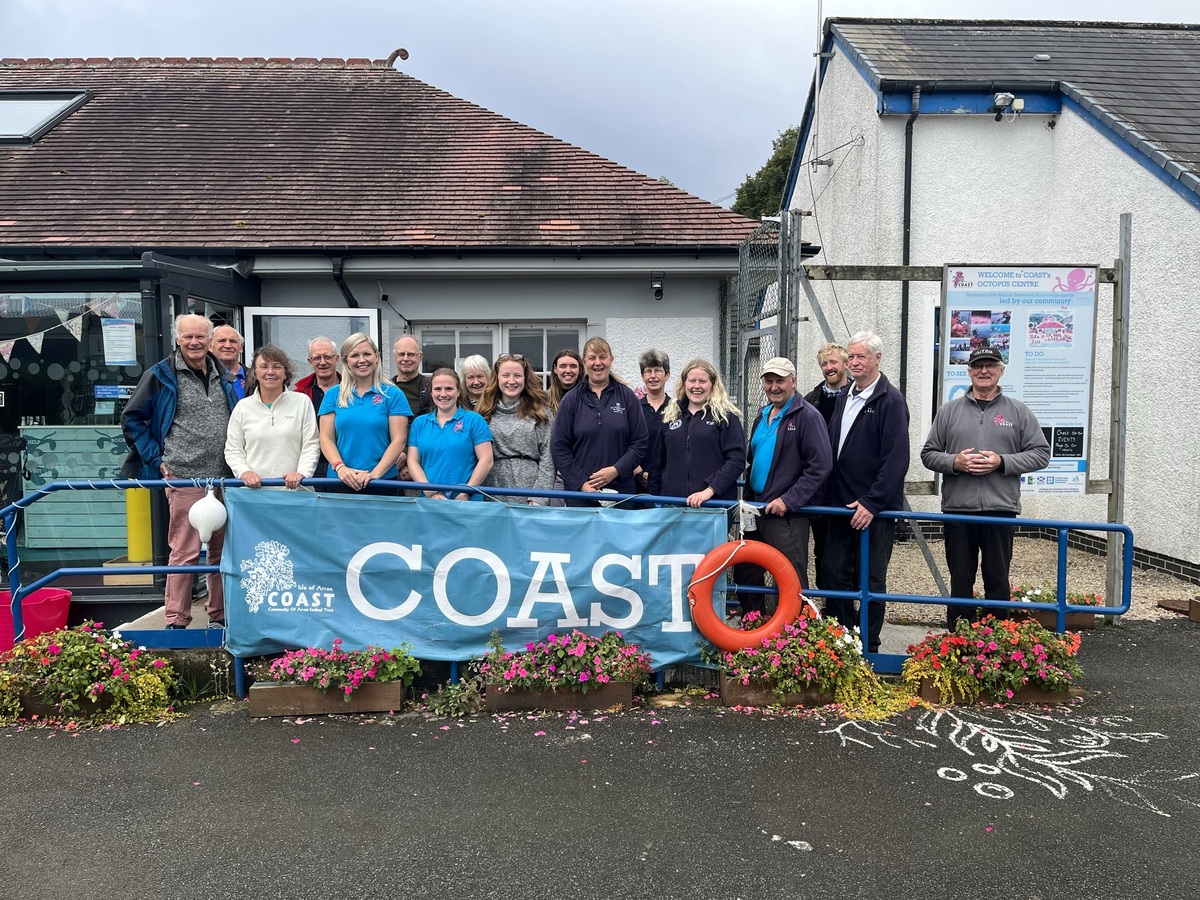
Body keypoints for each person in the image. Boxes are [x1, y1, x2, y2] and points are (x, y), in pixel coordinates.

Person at [121, 313, 238, 629]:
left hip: (224, 476)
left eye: (200, 336)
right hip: (184, 474)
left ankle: (221, 616)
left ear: (209, 340)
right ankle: (176, 619)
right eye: (188, 337)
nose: (195, 342)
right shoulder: (160, 375)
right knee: (184, 551)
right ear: (177, 339)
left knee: (221, 552)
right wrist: (157, 458)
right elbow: (131, 418)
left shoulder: (224, 374)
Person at [920, 346, 1050, 629]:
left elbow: (1041, 453)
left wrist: (1001, 461)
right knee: (961, 579)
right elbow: (928, 454)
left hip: (1000, 509)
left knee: (997, 578)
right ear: (968, 372)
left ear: (1000, 371)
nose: (984, 371)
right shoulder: (949, 411)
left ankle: (997, 639)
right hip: (958, 510)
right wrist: (956, 462)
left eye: (990, 365)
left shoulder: (1018, 411)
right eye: (978, 366)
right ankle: (959, 638)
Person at [823, 331, 910, 653]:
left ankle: (868, 645)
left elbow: (896, 459)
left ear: (877, 359)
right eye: (852, 356)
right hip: (840, 505)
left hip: (874, 510)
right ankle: (844, 639)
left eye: (861, 356)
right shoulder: (846, 396)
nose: (855, 362)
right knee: (833, 573)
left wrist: (872, 502)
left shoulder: (890, 401)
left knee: (871, 580)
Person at [736, 357, 832, 615]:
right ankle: (752, 625)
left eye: (780, 380)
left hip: (785, 514)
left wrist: (789, 500)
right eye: (769, 381)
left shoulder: (807, 416)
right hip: (755, 508)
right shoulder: (762, 415)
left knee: (789, 574)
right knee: (746, 568)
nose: (774, 386)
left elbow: (821, 465)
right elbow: (752, 460)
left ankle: (795, 634)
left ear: (793, 381)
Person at [551, 337, 648, 505]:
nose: (598, 363)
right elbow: (559, 446)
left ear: (611, 360)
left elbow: (640, 442)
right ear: (584, 362)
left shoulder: (627, 397)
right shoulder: (571, 400)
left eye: (602, 357)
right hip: (580, 494)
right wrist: (581, 483)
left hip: (621, 492)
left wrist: (615, 470)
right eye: (592, 358)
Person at [319, 333, 411, 493]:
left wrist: (375, 474)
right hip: (340, 480)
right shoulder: (333, 395)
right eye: (354, 355)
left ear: (376, 357)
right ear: (346, 360)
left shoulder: (393, 394)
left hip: (382, 481)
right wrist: (340, 468)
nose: (362, 360)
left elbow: (399, 440)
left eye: (367, 354)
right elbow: (326, 438)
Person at [647, 358, 745, 507]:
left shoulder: (726, 417)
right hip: (673, 505)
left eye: (702, 381)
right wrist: (653, 502)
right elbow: (657, 465)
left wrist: (709, 490)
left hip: (712, 505)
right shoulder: (670, 416)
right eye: (692, 381)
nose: (696, 386)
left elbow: (736, 461)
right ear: (684, 383)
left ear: (712, 384)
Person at [225, 344, 320, 491]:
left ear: (285, 373)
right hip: (254, 495)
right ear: (255, 373)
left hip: (296, 493)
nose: (270, 372)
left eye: (276, 367)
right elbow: (233, 449)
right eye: (263, 367)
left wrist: (302, 473)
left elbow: (311, 444)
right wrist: (244, 472)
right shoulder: (243, 407)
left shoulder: (302, 402)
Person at [476, 354, 556, 504]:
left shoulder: (540, 412)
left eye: (517, 376)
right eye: (506, 375)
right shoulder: (483, 412)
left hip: (529, 491)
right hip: (491, 490)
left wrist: (539, 497)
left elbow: (548, 457)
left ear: (525, 379)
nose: (511, 381)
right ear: (497, 378)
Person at [407, 369, 494, 500]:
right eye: (437, 389)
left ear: (458, 392)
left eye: (449, 389)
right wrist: (430, 492)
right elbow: (413, 461)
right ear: (431, 393)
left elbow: (486, 461)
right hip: (429, 501)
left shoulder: (474, 420)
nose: (443, 394)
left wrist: (466, 492)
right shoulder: (419, 423)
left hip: (466, 501)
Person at [803, 342, 849, 589]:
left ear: (845, 364)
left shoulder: (858, 396)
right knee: (821, 548)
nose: (829, 368)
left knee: (847, 552)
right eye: (824, 364)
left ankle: (847, 602)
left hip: (848, 488)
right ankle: (828, 602)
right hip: (820, 489)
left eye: (833, 362)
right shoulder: (812, 399)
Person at [293, 336, 341, 481]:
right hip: (309, 466)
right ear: (310, 361)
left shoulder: (353, 392)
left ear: (336, 359)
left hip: (344, 464)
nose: (322, 362)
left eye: (327, 357)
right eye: (317, 358)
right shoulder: (299, 395)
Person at [635, 349, 670, 493]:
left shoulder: (677, 410)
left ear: (667, 375)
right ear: (642, 377)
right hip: (635, 484)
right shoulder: (633, 409)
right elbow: (623, 444)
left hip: (666, 483)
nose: (653, 376)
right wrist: (639, 474)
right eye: (648, 371)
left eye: (658, 371)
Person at [392, 335, 432, 418]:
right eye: (401, 354)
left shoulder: (430, 387)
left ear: (420, 357)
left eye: (411, 354)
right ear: (394, 357)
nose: (406, 359)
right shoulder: (385, 389)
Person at [211, 324, 247, 399]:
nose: (228, 346)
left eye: (233, 341)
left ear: (241, 347)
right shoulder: (204, 379)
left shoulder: (255, 378)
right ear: (210, 347)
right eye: (222, 341)